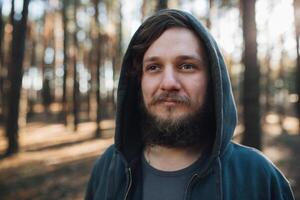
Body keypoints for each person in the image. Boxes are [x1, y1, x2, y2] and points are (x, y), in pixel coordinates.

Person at [85, 9, 295, 200]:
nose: (168, 83)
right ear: (139, 80)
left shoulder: (259, 177)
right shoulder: (108, 168)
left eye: (186, 66)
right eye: (154, 67)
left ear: (212, 80)